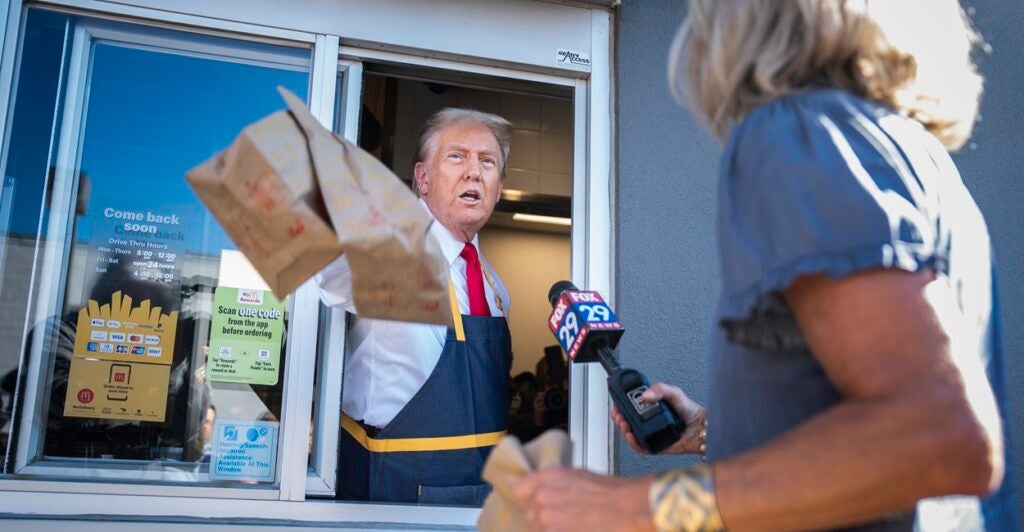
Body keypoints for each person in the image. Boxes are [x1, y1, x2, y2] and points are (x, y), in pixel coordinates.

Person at [510, 1, 1018, 530]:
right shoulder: (918, 156)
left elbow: (938, 437)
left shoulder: (799, 134)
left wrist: (629, 507)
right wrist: (710, 432)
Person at [316, 107, 514, 505]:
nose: (474, 172)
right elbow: (331, 272)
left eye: (487, 162)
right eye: (457, 157)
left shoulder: (495, 288)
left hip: (479, 501)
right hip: (395, 494)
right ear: (422, 178)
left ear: (499, 185)